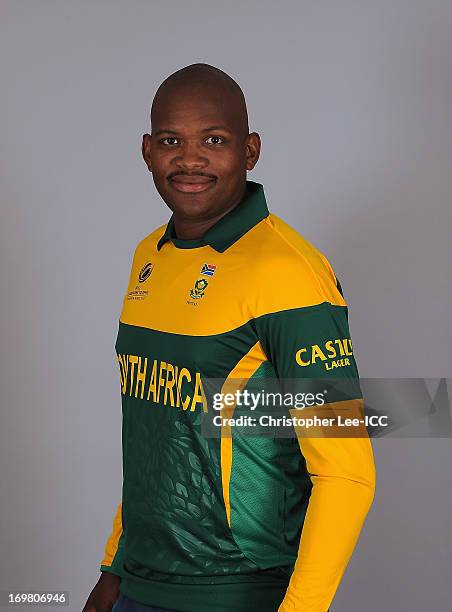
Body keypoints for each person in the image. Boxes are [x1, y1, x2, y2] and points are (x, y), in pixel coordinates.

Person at [82, 63, 376, 612]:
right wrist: (114, 566)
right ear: (146, 150)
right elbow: (158, 432)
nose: (189, 159)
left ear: (250, 150)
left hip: (239, 594)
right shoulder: (149, 256)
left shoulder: (290, 275)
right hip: (138, 588)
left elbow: (345, 472)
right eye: (171, 141)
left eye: (213, 140)